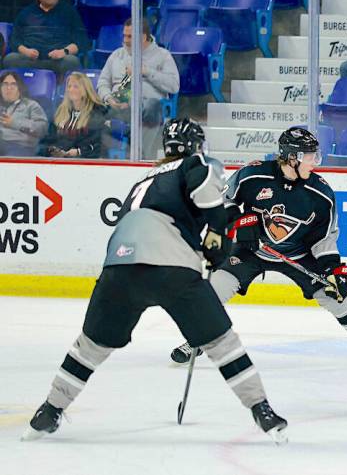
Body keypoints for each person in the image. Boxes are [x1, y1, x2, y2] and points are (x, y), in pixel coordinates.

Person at [22, 118, 288, 443]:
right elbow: (205, 188)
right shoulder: (195, 163)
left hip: (119, 267)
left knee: (90, 347)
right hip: (170, 266)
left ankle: (49, 411)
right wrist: (218, 234)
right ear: (195, 146)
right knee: (221, 343)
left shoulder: (142, 180)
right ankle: (262, 410)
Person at [168, 127, 347, 378]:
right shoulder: (253, 175)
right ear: (291, 157)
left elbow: (324, 240)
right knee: (215, 289)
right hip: (251, 249)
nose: (315, 161)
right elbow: (224, 201)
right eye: (309, 156)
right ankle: (196, 340)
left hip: (297, 254)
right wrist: (239, 222)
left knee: (336, 298)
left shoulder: (321, 195)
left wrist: (334, 269)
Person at [97, 19, 180, 159]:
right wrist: (109, 98)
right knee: (91, 109)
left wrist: (146, 72)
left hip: (146, 107)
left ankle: (140, 155)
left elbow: (174, 86)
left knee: (152, 105)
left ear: (143, 37)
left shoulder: (162, 55)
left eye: (130, 37)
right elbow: (103, 82)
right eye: (124, 36)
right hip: (118, 106)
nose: (125, 40)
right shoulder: (117, 55)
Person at [4, 0, 89, 75]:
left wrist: (64, 52)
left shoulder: (69, 12)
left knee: (71, 61)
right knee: (10, 59)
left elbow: (81, 40)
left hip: (58, 60)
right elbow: (15, 39)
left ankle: (60, 90)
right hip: (30, 60)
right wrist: (26, 51)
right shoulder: (26, 13)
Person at [38, 71, 106, 158]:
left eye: (76, 87)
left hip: (83, 162)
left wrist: (78, 152)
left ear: (85, 90)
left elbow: (97, 145)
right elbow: (49, 138)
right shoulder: (61, 111)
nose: (70, 90)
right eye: (69, 86)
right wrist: (51, 149)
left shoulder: (96, 113)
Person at [0, 70, 48, 156]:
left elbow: (42, 128)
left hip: (21, 146)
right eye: (5, 84)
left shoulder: (31, 105)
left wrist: (14, 123)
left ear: (19, 88)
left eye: (13, 84)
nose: (8, 88)